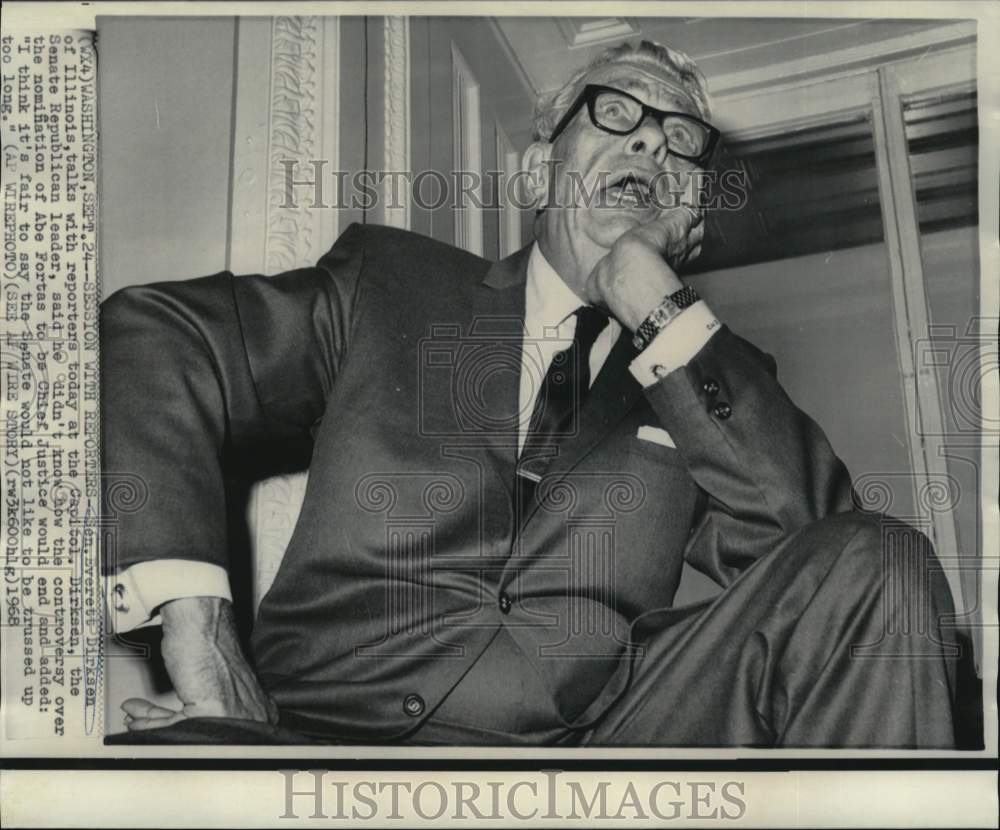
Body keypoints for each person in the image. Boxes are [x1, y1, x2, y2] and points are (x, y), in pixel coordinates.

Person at [101, 40, 962, 746]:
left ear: (694, 215)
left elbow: (831, 570)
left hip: (591, 759)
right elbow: (159, 336)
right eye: (617, 113)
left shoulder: (707, 373)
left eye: (681, 138)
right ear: (532, 174)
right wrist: (203, 635)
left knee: (883, 552)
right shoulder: (388, 285)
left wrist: (657, 305)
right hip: (321, 734)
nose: (651, 144)